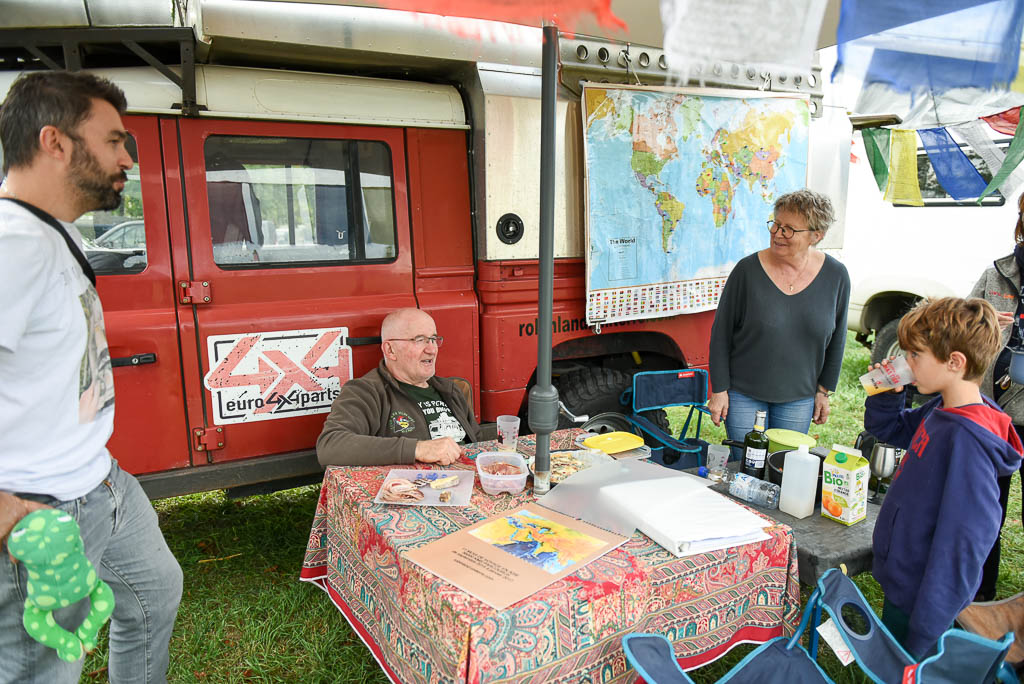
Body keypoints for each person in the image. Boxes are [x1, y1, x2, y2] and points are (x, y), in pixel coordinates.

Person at [0, 71, 182, 683]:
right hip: (39, 507)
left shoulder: (50, 232)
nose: (128, 157)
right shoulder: (12, 244)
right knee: (45, 669)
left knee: (154, 593)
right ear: (54, 142)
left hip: (101, 482)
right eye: (113, 140)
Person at [864, 297, 1022, 659]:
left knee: (905, 670)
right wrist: (888, 396)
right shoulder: (944, 408)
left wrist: (926, 630)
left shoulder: (968, 441)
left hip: (924, 604)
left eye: (915, 355)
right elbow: (889, 429)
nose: (906, 363)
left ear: (955, 362)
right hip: (906, 582)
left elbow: (963, 547)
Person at [708, 189, 850, 449]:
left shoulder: (836, 276)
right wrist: (719, 390)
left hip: (799, 397)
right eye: (776, 224)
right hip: (743, 395)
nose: (777, 233)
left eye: (789, 229)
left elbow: (838, 340)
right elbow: (721, 335)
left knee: (784, 464)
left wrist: (823, 391)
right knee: (745, 465)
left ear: (816, 235)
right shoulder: (747, 271)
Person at [317, 308, 486, 466]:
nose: (432, 349)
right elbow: (330, 446)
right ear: (390, 350)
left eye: (433, 339)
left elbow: (478, 444)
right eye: (420, 340)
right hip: (412, 486)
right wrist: (417, 449)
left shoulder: (450, 390)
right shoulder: (365, 392)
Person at [969, 190, 1024, 602]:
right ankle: (981, 599)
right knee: (987, 513)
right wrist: (983, 321)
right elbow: (959, 327)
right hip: (993, 415)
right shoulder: (996, 275)